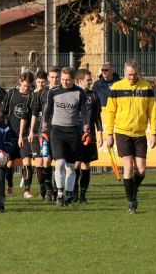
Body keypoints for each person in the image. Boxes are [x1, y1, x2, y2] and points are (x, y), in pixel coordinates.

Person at [105, 60, 156, 214]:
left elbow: (152, 112)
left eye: (134, 74)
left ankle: (132, 189)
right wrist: (109, 134)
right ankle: (131, 203)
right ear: (124, 72)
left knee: (141, 170)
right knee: (128, 166)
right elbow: (110, 112)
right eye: (129, 74)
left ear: (138, 73)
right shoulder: (117, 87)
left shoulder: (146, 87)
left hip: (140, 133)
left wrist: (154, 133)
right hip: (122, 132)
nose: (131, 77)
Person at [42, 67, 90, 207]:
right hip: (57, 132)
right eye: (62, 79)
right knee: (59, 163)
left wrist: (86, 128)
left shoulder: (79, 92)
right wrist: (44, 126)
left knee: (71, 167)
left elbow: (85, 112)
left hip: (73, 132)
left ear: (73, 79)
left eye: (68, 80)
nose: (64, 82)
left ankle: (69, 196)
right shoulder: (54, 92)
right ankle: (60, 193)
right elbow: (47, 110)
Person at [29, 68, 60, 201]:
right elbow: (35, 113)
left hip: (60, 133)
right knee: (46, 160)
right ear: (49, 79)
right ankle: (48, 189)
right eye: (52, 77)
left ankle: (58, 189)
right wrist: (31, 131)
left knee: (59, 163)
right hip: (45, 133)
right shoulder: (42, 94)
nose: (55, 79)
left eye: (56, 77)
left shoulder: (64, 92)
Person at [2, 71, 34, 197]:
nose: (26, 88)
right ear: (20, 82)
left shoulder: (32, 96)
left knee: (27, 162)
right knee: (9, 163)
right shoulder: (11, 94)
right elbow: (4, 113)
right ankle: (9, 185)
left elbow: (33, 116)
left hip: (26, 135)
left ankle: (27, 190)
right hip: (11, 134)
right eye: (24, 85)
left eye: (29, 86)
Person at [73, 69, 103, 203]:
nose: (91, 82)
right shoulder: (73, 94)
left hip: (90, 135)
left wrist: (100, 133)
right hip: (74, 134)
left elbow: (97, 116)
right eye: (88, 80)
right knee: (75, 164)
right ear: (80, 81)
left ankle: (83, 195)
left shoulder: (94, 95)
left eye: (91, 79)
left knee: (86, 164)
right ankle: (73, 192)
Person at [26, 71, 49, 200]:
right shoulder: (32, 96)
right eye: (38, 82)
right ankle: (42, 189)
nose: (40, 84)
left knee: (47, 161)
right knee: (39, 161)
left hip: (47, 133)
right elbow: (29, 115)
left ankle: (50, 187)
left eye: (43, 82)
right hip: (35, 133)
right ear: (35, 82)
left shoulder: (49, 95)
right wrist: (30, 131)